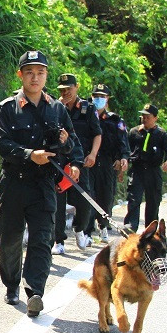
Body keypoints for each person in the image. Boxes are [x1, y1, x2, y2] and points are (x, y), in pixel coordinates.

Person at [0, 50, 75, 317]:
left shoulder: (57, 109)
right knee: (10, 238)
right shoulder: (7, 108)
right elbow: (3, 144)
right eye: (29, 72)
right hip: (14, 183)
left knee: (42, 239)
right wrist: (31, 155)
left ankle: (35, 292)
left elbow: (73, 143)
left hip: (44, 184)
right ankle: (11, 285)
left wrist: (67, 148)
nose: (35, 77)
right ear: (20, 75)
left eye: (40, 72)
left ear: (46, 76)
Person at [51, 73, 98, 255]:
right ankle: (59, 240)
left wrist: (92, 154)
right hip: (59, 162)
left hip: (79, 161)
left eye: (69, 89)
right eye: (62, 90)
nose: (66, 93)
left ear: (76, 87)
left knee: (84, 200)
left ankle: (80, 229)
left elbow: (97, 134)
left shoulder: (88, 109)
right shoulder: (55, 108)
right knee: (58, 203)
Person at [86, 83, 129, 242]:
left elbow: (123, 142)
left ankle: (103, 226)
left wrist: (123, 157)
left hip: (107, 163)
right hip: (88, 161)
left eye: (102, 97)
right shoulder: (85, 115)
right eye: (96, 96)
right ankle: (87, 231)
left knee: (106, 196)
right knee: (88, 196)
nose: (99, 99)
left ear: (107, 99)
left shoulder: (115, 120)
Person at [123, 103, 167, 232]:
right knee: (134, 199)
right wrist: (123, 164)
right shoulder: (134, 132)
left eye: (148, 117)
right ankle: (130, 228)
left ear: (155, 118)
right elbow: (126, 150)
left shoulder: (162, 134)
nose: (144, 119)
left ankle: (150, 230)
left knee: (153, 201)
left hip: (153, 171)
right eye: (143, 117)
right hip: (137, 170)